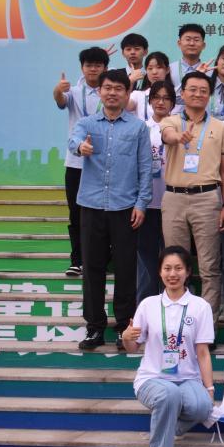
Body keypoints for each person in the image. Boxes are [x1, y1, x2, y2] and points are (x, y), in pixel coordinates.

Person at [68, 69, 152, 350]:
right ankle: (94, 328)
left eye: (118, 88)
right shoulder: (87, 123)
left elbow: (145, 168)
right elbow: (73, 141)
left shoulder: (138, 128)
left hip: (125, 207)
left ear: (127, 93)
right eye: (107, 88)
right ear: (100, 91)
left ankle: (123, 327)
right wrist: (81, 147)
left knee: (126, 269)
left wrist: (141, 204)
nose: (112, 93)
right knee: (92, 268)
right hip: (91, 206)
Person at [122, 247, 215, 447]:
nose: (172, 274)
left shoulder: (200, 306)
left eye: (178, 268)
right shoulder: (148, 305)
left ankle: (162, 427)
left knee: (203, 407)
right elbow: (133, 348)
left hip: (187, 379)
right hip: (152, 379)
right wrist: (125, 337)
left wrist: (209, 388)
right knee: (169, 394)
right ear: (160, 272)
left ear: (188, 272)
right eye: (167, 268)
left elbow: (203, 352)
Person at [159, 72, 224, 319]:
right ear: (182, 93)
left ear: (209, 95)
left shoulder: (221, 128)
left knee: (209, 264)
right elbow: (167, 136)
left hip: (207, 198)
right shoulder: (170, 121)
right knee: (174, 264)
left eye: (203, 90)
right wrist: (179, 137)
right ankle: (177, 319)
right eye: (192, 89)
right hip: (174, 198)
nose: (198, 94)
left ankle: (207, 322)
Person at [54, 46, 109, 277]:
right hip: (76, 164)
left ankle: (102, 260)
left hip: (105, 164)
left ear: (105, 67)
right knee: (76, 214)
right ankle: (77, 260)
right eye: (89, 65)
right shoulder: (75, 91)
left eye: (98, 65)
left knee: (104, 214)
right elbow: (60, 101)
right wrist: (58, 90)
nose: (93, 69)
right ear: (82, 67)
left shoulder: (110, 92)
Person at [137, 81, 175, 303]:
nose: (161, 102)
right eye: (157, 97)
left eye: (166, 98)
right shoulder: (141, 128)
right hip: (146, 204)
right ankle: (145, 305)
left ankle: (171, 303)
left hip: (172, 202)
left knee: (172, 256)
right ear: (150, 101)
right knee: (146, 258)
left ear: (173, 103)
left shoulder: (179, 127)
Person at [127, 52, 173, 123]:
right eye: (150, 68)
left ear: (167, 70)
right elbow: (124, 106)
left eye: (159, 67)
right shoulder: (138, 95)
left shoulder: (177, 94)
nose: (154, 72)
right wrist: (130, 81)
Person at [169, 24, 208, 93]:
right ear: (179, 43)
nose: (192, 43)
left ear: (203, 45)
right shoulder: (169, 70)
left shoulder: (209, 72)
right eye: (188, 39)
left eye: (196, 40)